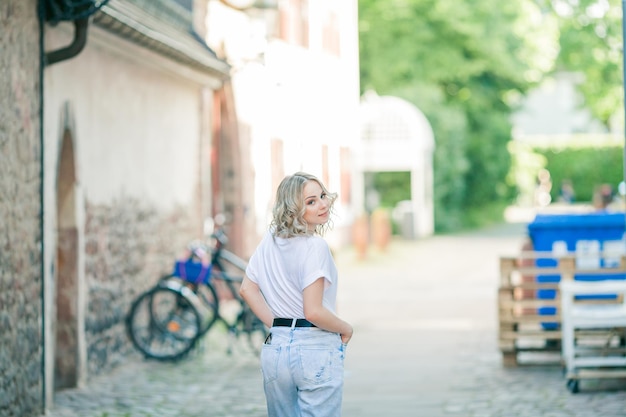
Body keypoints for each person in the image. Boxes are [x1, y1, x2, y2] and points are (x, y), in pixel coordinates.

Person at [240, 172, 353, 417]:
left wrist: (280, 327)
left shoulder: (268, 242)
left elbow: (247, 289)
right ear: (293, 210)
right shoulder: (316, 247)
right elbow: (313, 311)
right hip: (314, 348)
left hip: (276, 350)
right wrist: (346, 328)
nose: (323, 204)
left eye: (322, 196)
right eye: (310, 202)